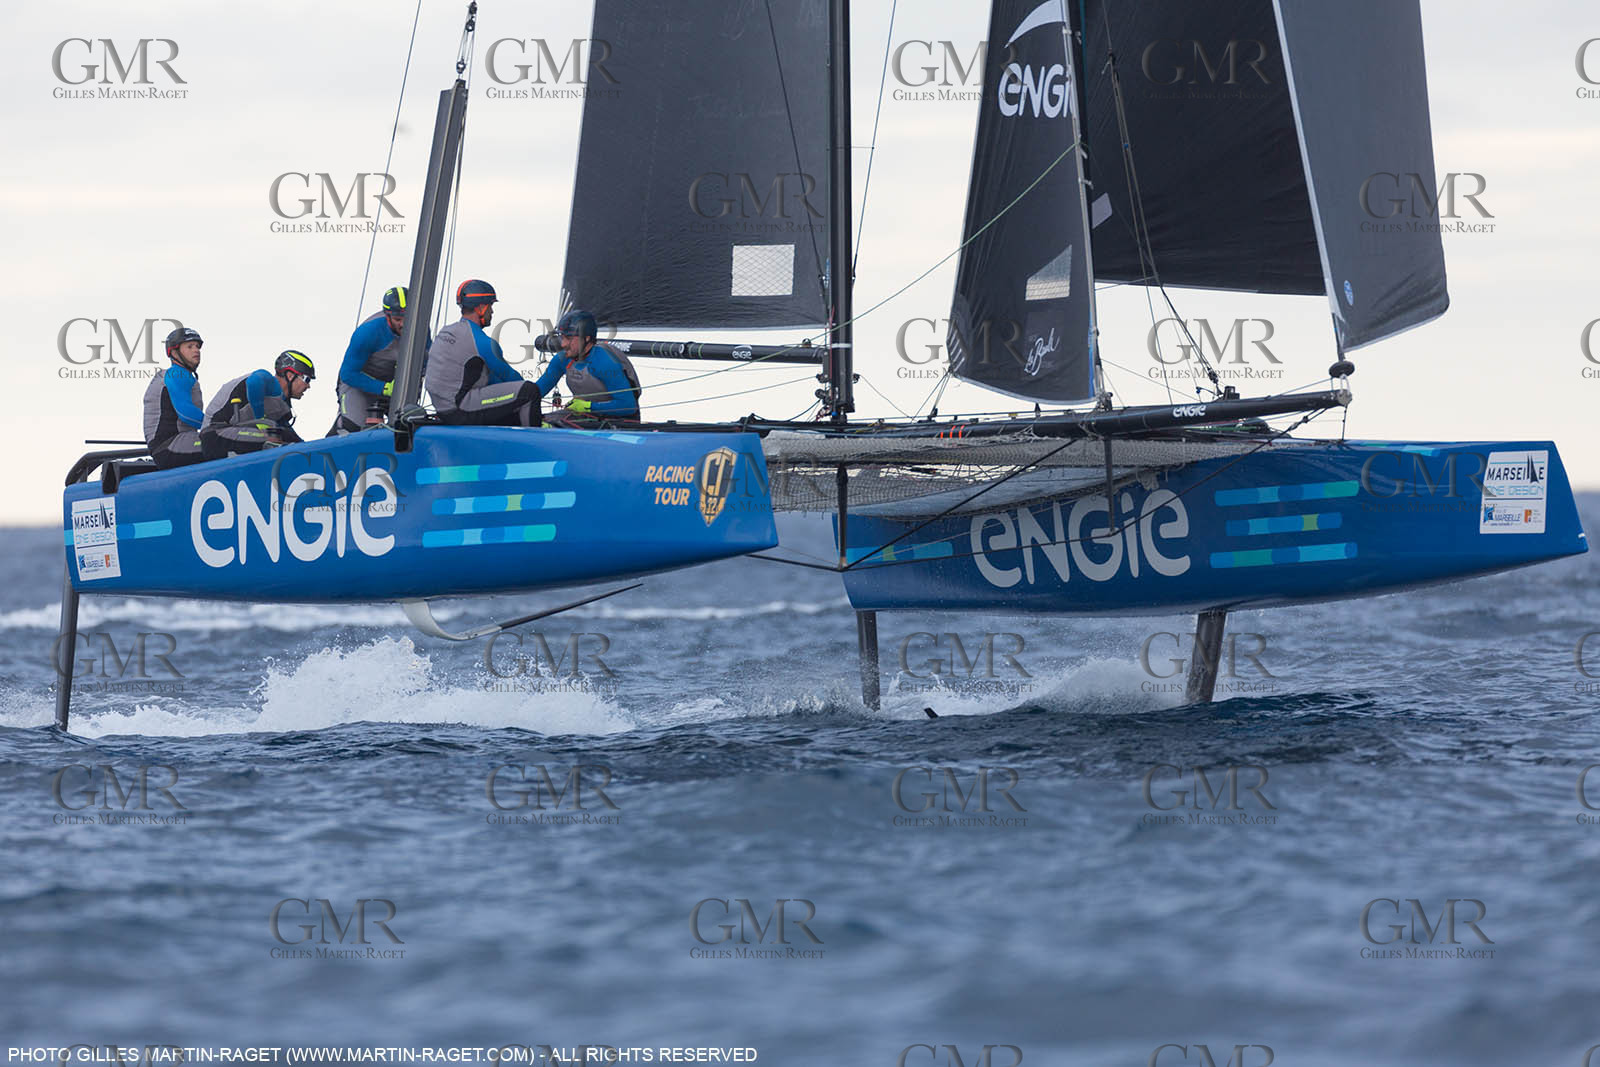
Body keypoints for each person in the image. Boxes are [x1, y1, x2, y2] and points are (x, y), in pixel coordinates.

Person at [424, 279, 541, 427]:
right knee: (528, 391)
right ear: (481, 308)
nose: (492, 311)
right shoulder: (482, 342)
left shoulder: (447, 331)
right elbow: (514, 380)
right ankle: (532, 444)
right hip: (460, 409)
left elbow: (488, 379)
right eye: (490, 306)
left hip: (442, 408)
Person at [201, 350, 314, 459]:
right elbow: (254, 382)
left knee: (284, 436)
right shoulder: (270, 382)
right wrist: (261, 420)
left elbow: (291, 436)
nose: (308, 386)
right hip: (215, 434)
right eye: (307, 379)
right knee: (275, 438)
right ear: (290, 375)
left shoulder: (282, 406)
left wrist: (311, 450)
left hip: (231, 436)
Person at [536, 309, 642, 425]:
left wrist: (588, 407)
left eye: (569, 338)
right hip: (587, 418)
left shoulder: (604, 362)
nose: (563, 344)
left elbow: (628, 406)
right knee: (538, 422)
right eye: (562, 337)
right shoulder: (562, 359)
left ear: (586, 338)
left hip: (620, 422)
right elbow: (537, 391)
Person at [328, 285, 410, 435]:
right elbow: (348, 374)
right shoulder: (367, 333)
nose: (403, 324)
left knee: (407, 425)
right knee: (351, 427)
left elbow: (427, 362)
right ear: (387, 316)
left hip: (394, 384)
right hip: (358, 382)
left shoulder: (420, 328)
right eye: (398, 319)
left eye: (407, 318)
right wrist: (384, 388)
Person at [142, 326, 207, 469]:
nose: (196, 350)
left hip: (172, 445)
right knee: (223, 441)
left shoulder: (181, 376)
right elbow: (186, 413)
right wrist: (215, 425)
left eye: (197, 347)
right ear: (174, 352)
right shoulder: (177, 374)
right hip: (171, 444)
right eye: (189, 346)